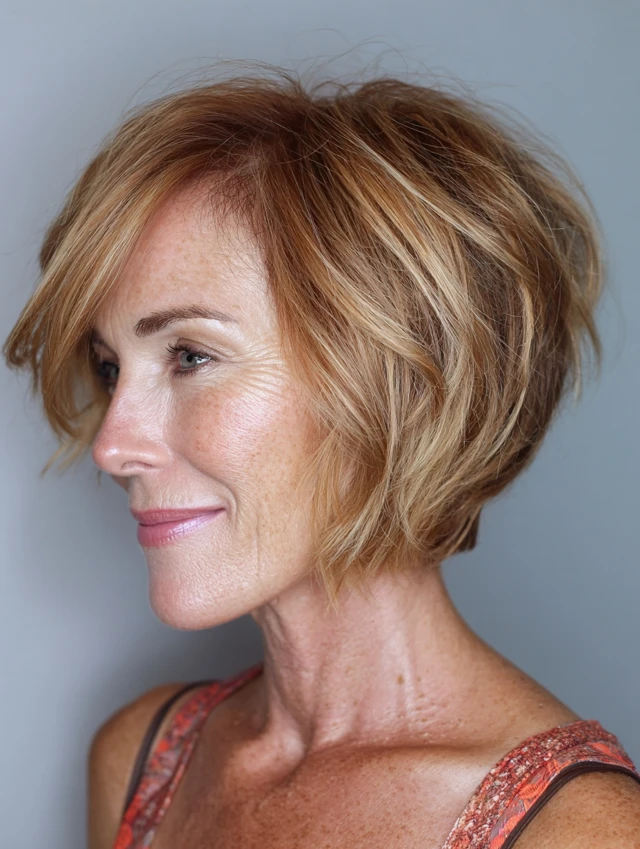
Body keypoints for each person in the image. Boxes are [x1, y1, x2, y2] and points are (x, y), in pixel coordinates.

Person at [4, 64, 640, 849]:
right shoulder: (141, 758)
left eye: (191, 356)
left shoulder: (578, 831)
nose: (111, 445)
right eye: (110, 369)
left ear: (396, 382)